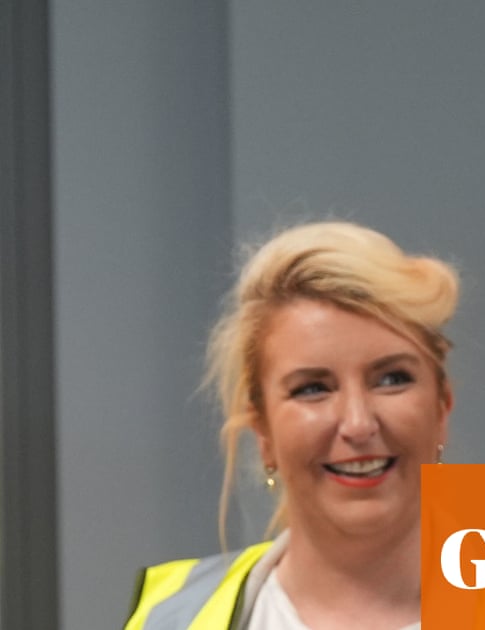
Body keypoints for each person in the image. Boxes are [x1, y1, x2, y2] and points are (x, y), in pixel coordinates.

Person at [124, 221, 458, 629]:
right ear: (262, 430)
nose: (358, 424)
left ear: (441, 407)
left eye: (391, 379)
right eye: (312, 388)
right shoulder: (173, 617)